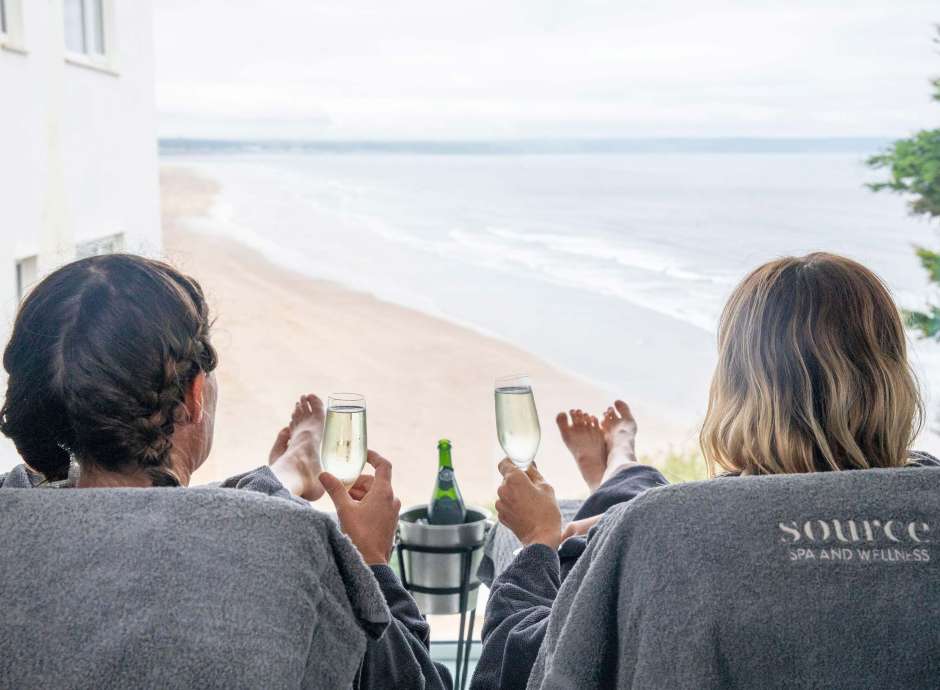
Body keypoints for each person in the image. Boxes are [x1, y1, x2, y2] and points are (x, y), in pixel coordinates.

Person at [472, 252, 940, 689]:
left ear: (735, 386)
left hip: (655, 525)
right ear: (889, 378)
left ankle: (619, 468)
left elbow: (518, 667)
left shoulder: (663, 526)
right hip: (658, 521)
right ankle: (618, 466)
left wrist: (535, 541)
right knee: (637, 505)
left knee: (634, 507)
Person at [0, 254, 450, 690]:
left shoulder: (14, 513)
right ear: (195, 395)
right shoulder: (291, 542)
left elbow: (172, 517)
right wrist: (370, 560)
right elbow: (414, 680)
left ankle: (292, 468)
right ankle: (293, 467)